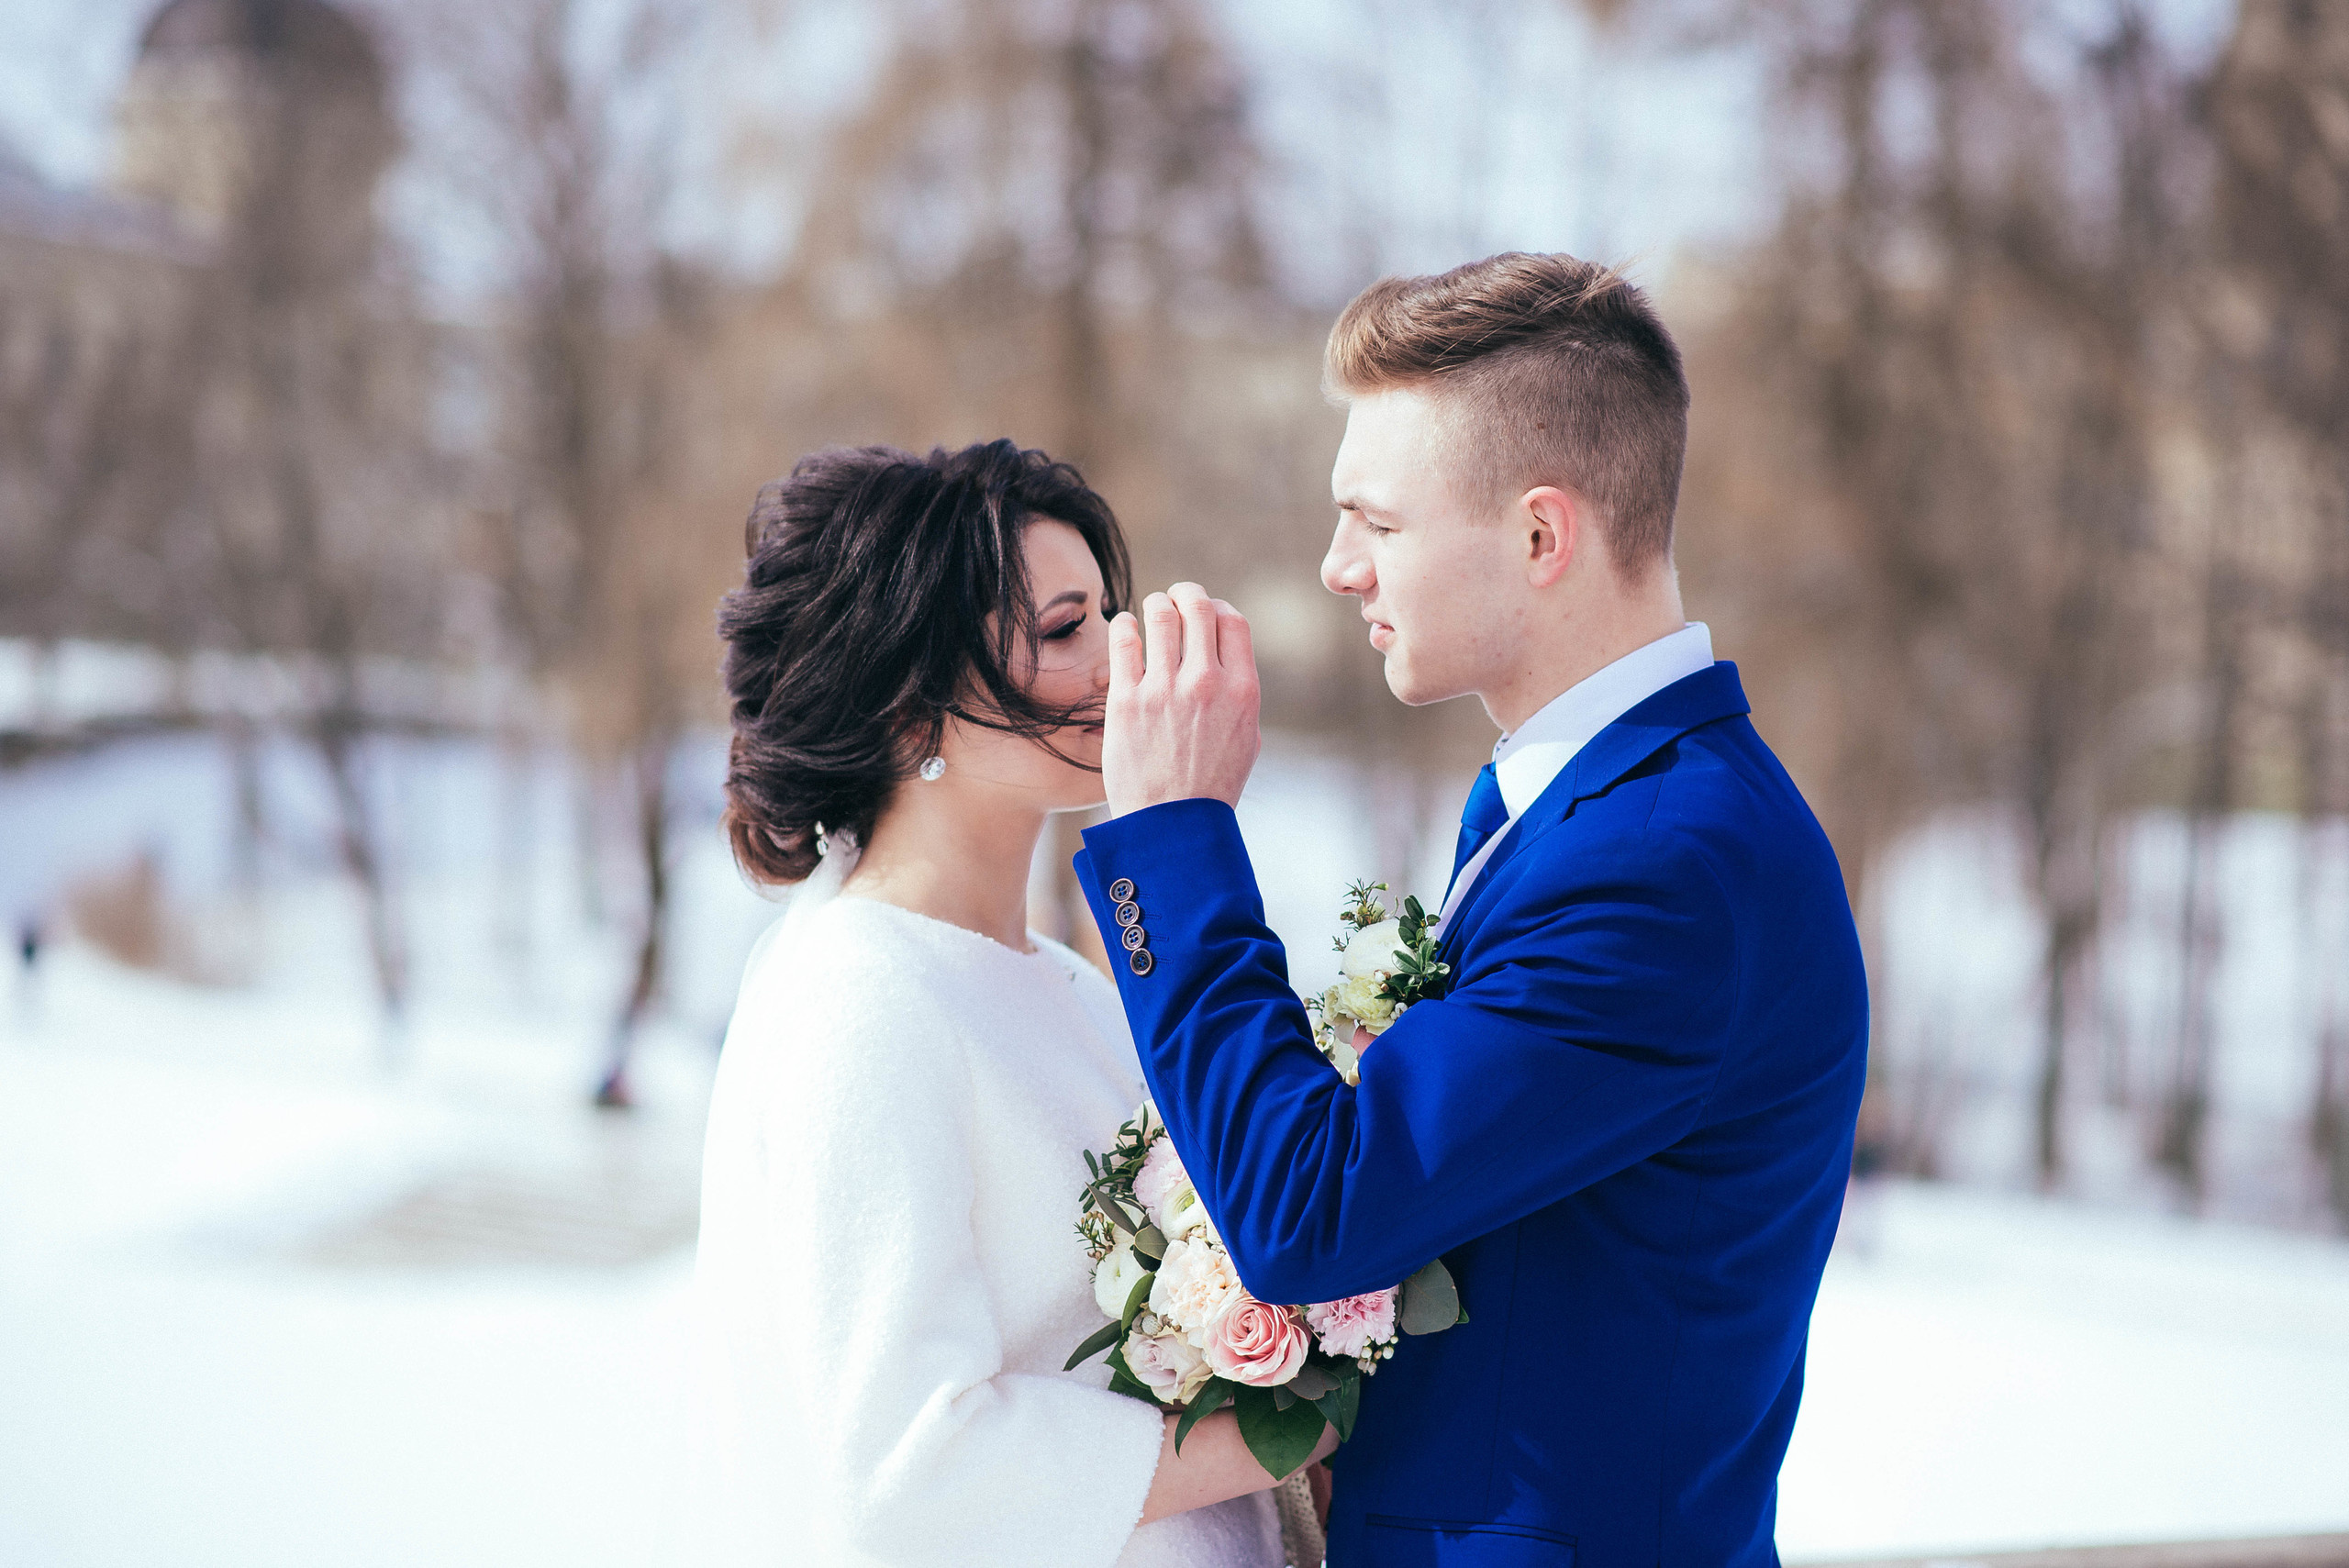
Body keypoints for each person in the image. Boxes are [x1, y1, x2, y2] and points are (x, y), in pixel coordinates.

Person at [1074, 254, 1870, 1566]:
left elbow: (1309, 1213)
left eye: (1377, 523)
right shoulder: (1589, 816)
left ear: (1542, 537)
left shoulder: (1666, 868)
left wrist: (1174, 836)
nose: (1338, 567)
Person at [693, 439, 1313, 1568]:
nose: (1123, 657)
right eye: (1067, 628)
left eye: (1109, 613)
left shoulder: (1065, 982)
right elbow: (909, 1471)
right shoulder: (859, 997)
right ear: (908, 708)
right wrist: (1295, 1423)